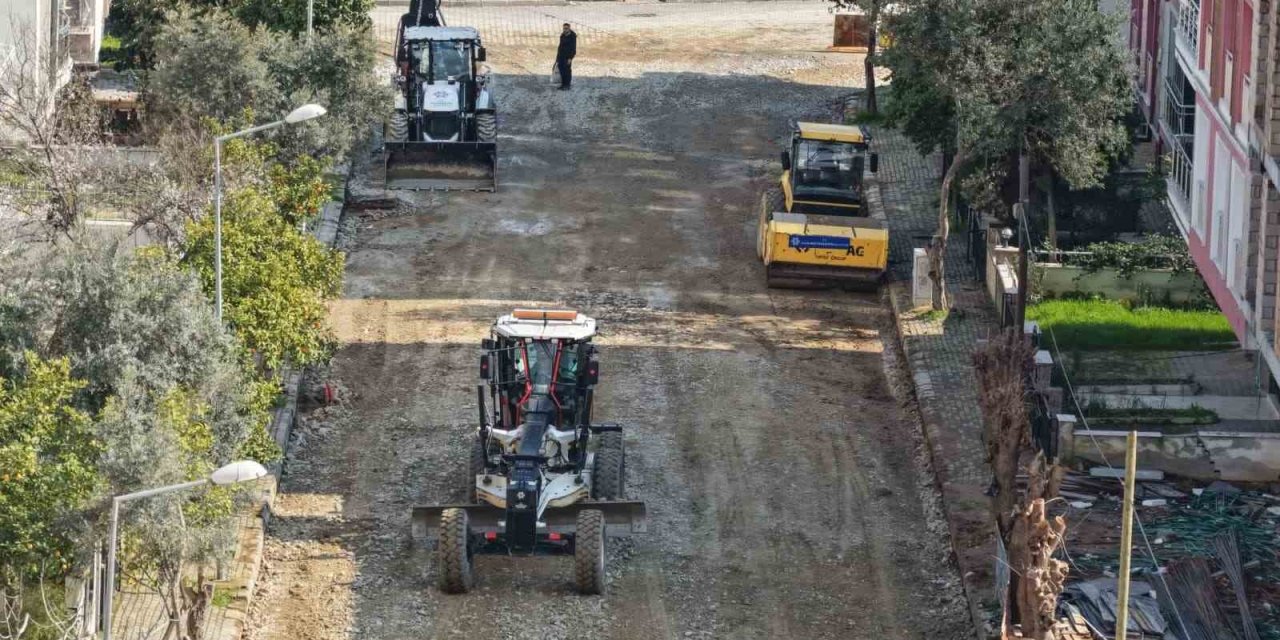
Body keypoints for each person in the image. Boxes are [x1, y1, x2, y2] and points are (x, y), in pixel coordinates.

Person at [556, 23, 577, 90]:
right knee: (561, 71)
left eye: (566, 28)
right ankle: (563, 84)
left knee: (567, 71)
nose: (565, 30)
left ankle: (567, 85)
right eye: (564, 28)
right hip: (561, 56)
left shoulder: (572, 37)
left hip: (567, 57)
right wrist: (557, 58)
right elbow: (560, 47)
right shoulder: (562, 35)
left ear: (569, 28)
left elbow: (573, 48)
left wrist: (570, 58)